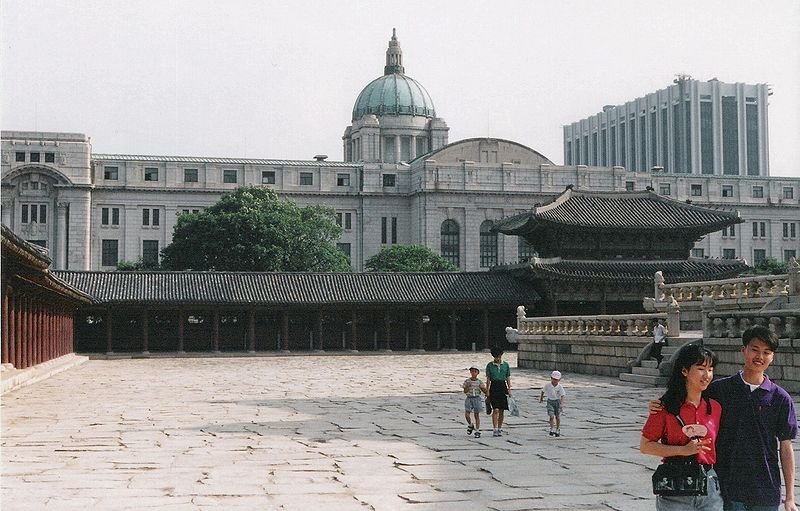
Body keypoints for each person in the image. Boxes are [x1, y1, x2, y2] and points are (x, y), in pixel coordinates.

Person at [649, 326, 798, 511]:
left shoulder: (780, 398)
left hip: (765, 488)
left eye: (766, 352)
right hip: (727, 487)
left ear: (772, 356)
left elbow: (786, 446)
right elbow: (688, 399)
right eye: (755, 349)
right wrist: (661, 404)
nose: (760, 356)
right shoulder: (720, 390)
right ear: (743, 350)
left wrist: (790, 497)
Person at [640, 343, 723, 510]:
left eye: (710, 369)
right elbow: (646, 446)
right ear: (684, 371)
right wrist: (683, 450)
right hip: (675, 488)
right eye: (700, 368)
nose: (707, 375)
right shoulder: (664, 408)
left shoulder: (715, 407)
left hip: (709, 485)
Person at [486, 346, 511, 437]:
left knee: (502, 410)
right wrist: (487, 390)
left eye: (498, 357)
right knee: (495, 409)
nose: (497, 358)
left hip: (502, 386)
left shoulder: (506, 365)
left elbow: (507, 377)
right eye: (495, 357)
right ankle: (495, 428)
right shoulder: (490, 365)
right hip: (494, 386)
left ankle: (500, 427)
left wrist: (509, 388)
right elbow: (488, 379)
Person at [539, 370, 566, 437]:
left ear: (559, 380)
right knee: (551, 415)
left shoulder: (560, 387)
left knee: (557, 416)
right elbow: (543, 391)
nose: (555, 381)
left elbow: (562, 395)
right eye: (553, 379)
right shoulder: (548, 385)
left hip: (557, 401)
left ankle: (557, 428)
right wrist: (541, 399)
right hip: (550, 401)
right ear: (551, 378)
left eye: (556, 380)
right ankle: (551, 428)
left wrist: (561, 404)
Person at [462, 365, 487, 438]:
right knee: (467, 413)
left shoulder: (479, 382)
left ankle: (477, 430)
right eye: (472, 371)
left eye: (475, 371)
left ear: (478, 373)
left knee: (477, 415)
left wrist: (485, 390)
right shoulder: (467, 381)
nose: (473, 373)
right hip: (469, 398)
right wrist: (467, 386)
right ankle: (470, 424)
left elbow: (484, 390)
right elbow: (465, 391)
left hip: (477, 398)